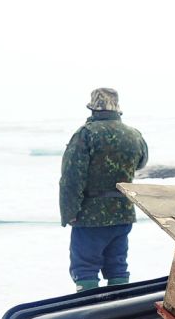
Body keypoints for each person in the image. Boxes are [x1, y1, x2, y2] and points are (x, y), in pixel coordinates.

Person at [60, 88, 149, 291]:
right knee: (118, 266)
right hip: (123, 212)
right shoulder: (134, 135)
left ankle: (89, 313)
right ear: (117, 108)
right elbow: (142, 162)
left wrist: (69, 213)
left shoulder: (85, 134)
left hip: (90, 216)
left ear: (93, 108)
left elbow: (71, 178)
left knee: (85, 269)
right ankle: (119, 311)